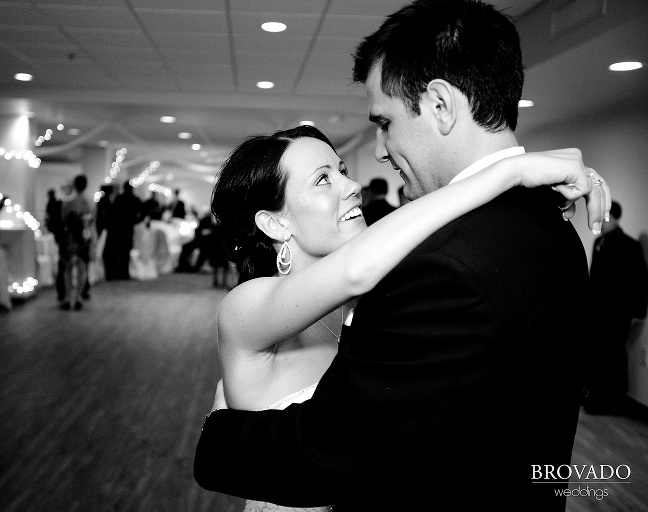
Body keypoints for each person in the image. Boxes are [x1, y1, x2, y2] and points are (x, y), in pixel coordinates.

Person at [194, 1, 610, 510]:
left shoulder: (443, 266)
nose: (381, 153)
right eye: (324, 179)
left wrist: (219, 439)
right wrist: (509, 173)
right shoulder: (551, 225)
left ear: (440, 105)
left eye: (384, 122)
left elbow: (333, 450)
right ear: (273, 220)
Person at [584, 200, 648, 413]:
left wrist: (638, 312)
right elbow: (594, 277)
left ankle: (611, 400)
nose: (602, 220)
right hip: (597, 310)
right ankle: (596, 397)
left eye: (606, 216)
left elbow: (640, 280)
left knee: (612, 354)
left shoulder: (630, 246)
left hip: (617, 312)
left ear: (617, 218)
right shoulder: (599, 242)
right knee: (598, 353)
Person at [59, 175, 93, 310]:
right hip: (84, 238)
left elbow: (62, 219)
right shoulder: (90, 203)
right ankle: (78, 297)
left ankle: (68, 297)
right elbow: (92, 224)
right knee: (82, 268)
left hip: (70, 238)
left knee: (67, 267)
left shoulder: (68, 202)